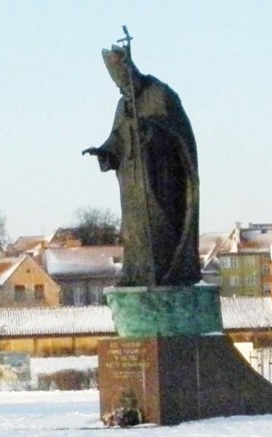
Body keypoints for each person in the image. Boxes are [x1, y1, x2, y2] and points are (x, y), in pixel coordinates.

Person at [83, 43, 201, 287]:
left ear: (130, 71)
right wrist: (105, 150)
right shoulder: (123, 104)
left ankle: (167, 273)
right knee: (134, 229)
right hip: (133, 183)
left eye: (124, 83)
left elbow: (180, 134)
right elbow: (118, 136)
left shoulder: (159, 93)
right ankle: (138, 274)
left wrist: (151, 130)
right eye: (119, 86)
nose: (123, 89)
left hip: (162, 178)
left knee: (161, 225)